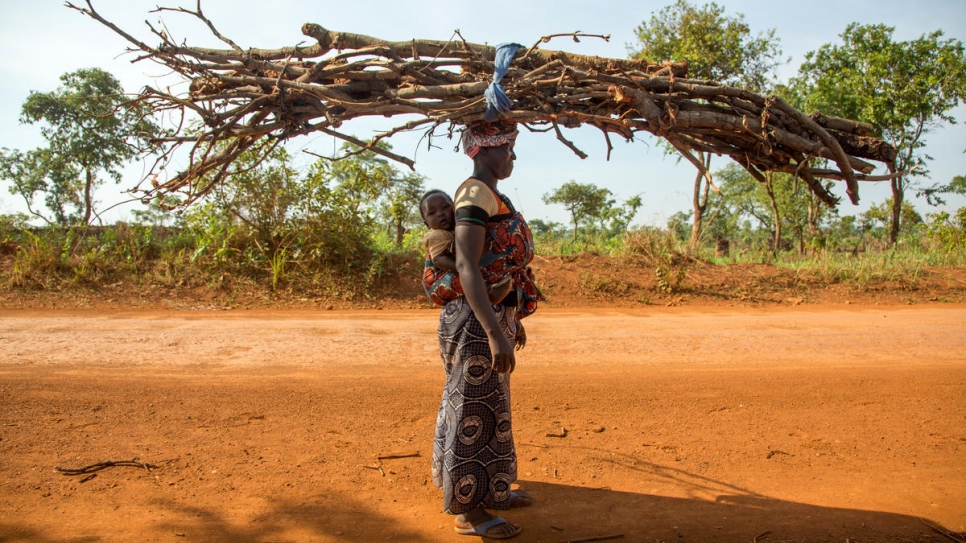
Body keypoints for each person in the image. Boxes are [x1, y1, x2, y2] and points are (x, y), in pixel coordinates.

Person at [425, 119, 541, 540]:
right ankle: (468, 510)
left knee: (490, 405)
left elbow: (497, 262)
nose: (512, 156)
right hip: (476, 322)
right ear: (486, 151)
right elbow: (466, 265)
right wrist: (493, 333)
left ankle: (491, 487)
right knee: (471, 408)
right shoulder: (475, 192)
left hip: (490, 316)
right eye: (508, 148)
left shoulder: (490, 194)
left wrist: (510, 323)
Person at [420, 189, 513, 306]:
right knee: (484, 277)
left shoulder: (461, 229)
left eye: (445, 207)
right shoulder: (438, 235)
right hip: (439, 283)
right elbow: (438, 259)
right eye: (432, 213)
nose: (440, 213)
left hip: (458, 274)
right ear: (427, 223)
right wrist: (464, 269)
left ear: (455, 208)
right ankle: (492, 297)